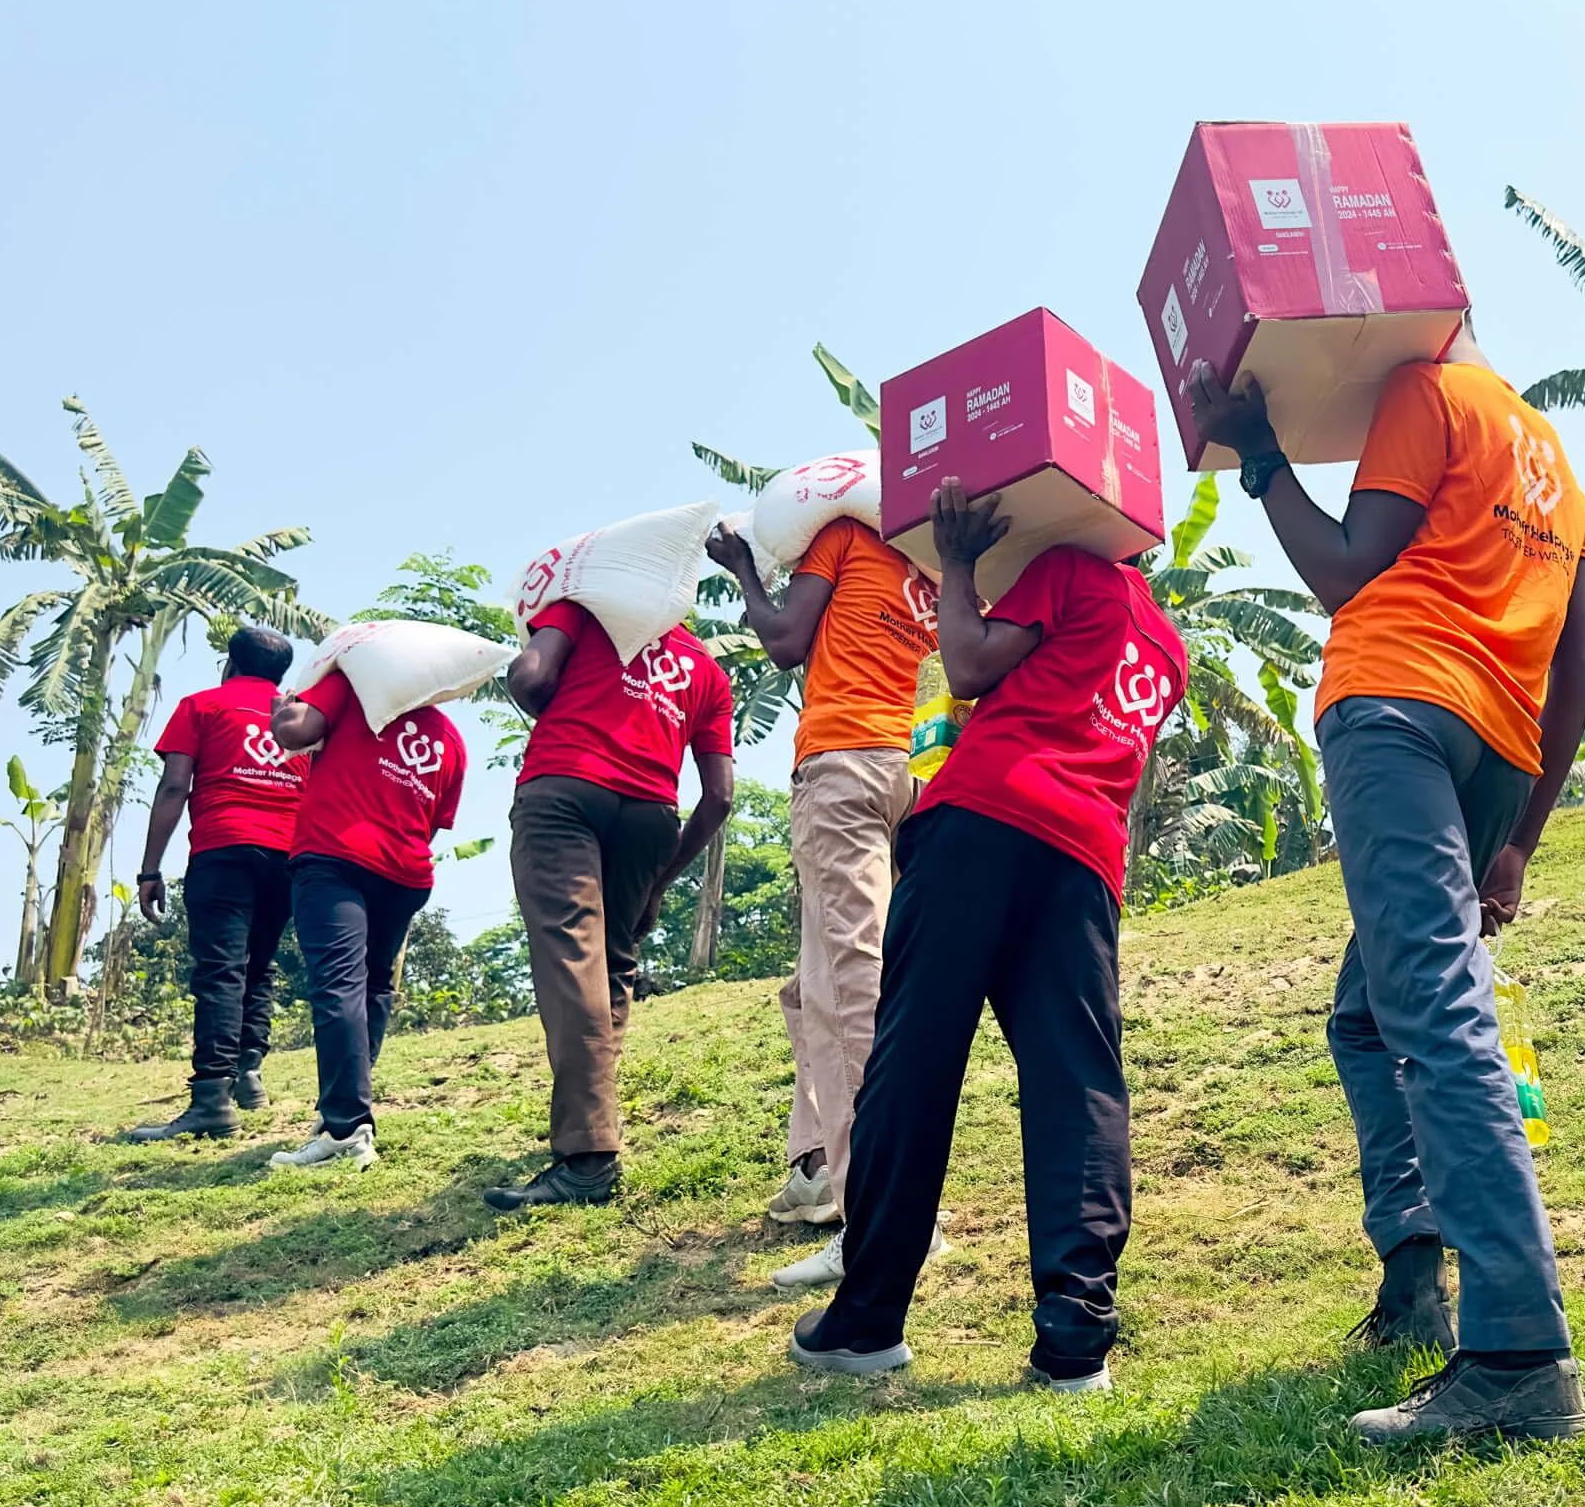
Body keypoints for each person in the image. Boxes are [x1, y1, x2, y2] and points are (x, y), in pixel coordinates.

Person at [1183, 352, 1585, 1448]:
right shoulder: (1552, 459)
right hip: (1496, 750)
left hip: (1399, 708)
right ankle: (1415, 1279)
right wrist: (1521, 836)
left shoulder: (1429, 391)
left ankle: (1518, 1354)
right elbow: (1582, 667)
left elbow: (1345, 573)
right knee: (1372, 1012)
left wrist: (1261, 455)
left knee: (1435, 1012)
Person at [788, 481, 1185, 1394]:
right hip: (1086, 858)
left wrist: (959, 559)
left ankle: (868, 1319)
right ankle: (1076, 1337)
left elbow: (965, 666)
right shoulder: (1169, 649)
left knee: (914, 1061)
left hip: (986, 819)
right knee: (1079, 1079)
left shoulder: (1071, 571)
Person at [706, 514, 939, 1287]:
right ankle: (818, 1171)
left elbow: (782, 639)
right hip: (911, 772)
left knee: (848, 996)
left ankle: (880, 1223)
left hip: (841, 768)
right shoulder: (937, 565)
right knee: (824, 989)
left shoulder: (842, 536)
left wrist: (744, 568)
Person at [486, 598, 735, 1211]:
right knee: (612, 962)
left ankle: (589, 1157)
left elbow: (530, 676)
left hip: (565, 789)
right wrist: (660, 880)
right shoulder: (708, 670)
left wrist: (562, 709)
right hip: (650, 816)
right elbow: (719, 797)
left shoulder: (586, 608)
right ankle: (593, 1120)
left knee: (572, 956)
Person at [262, 668, 467, 1169]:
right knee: (372, 988)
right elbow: (433, 822)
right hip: (405, 875)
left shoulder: (353, 689)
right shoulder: (452, 741)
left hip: (334, 859)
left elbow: (294, 733)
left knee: (338, 986)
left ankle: (345, 1128)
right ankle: (346, 1112)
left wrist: (281, 710)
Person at [125, 626, 312, 1142]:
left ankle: (211, 1098)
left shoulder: (201, 706)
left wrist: (150, 869)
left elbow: (174, 787)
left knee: (220, 970)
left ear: (231, 664)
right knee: (259, 964)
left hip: (224, 848)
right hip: (288, 855)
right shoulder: (302, 716)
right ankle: (248, 1075)